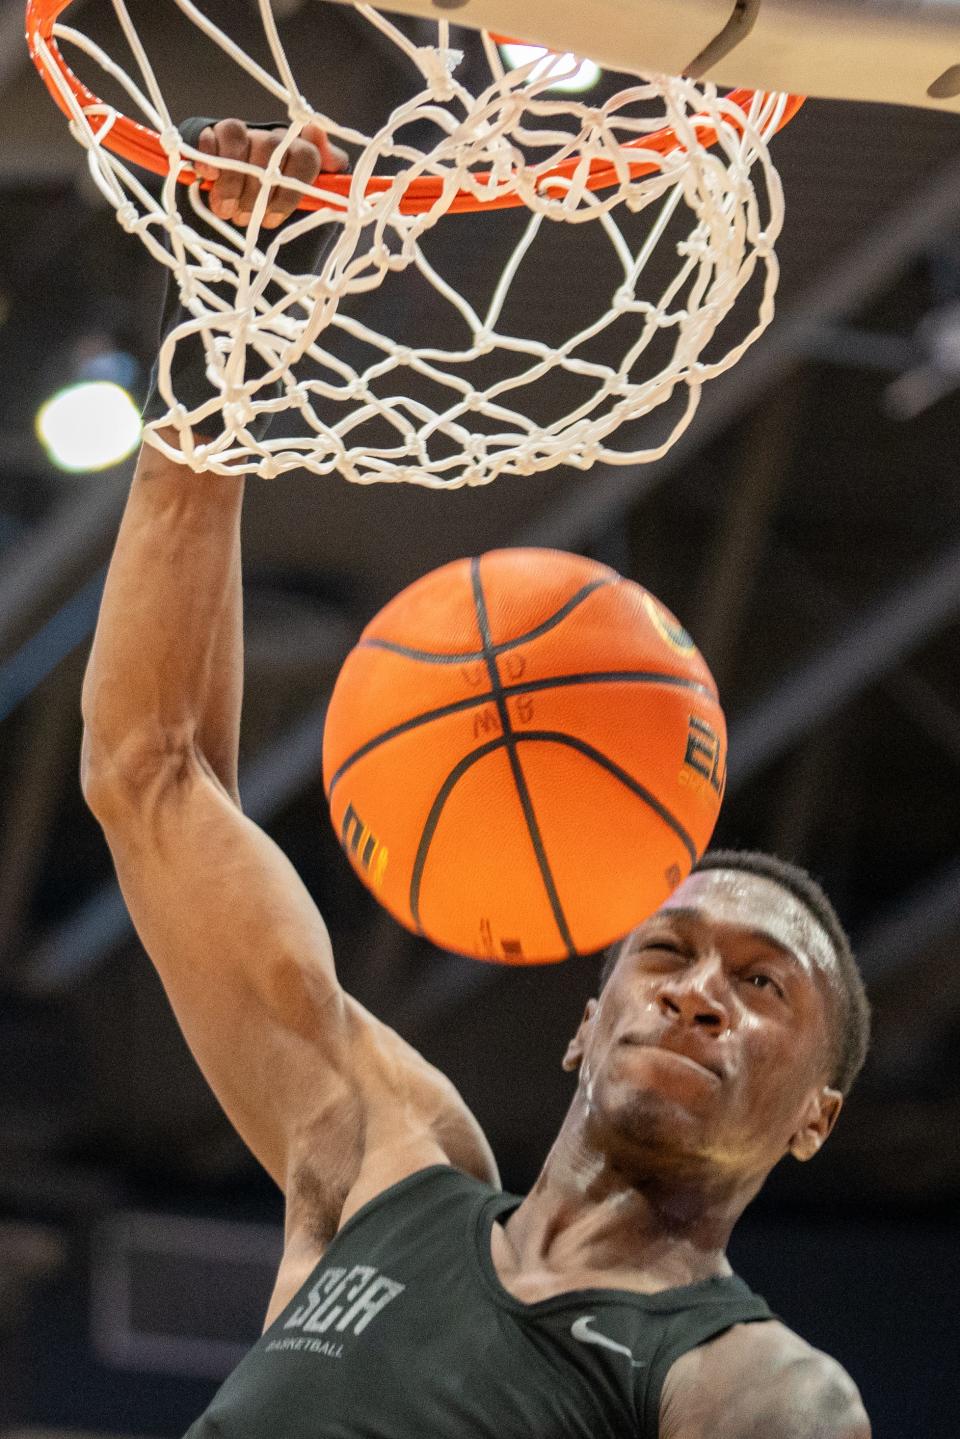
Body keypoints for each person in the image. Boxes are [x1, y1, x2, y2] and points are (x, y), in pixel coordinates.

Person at [80, 120, 873, 1439]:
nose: (697, 993)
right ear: (586, 1017)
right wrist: (230, 307)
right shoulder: (379, 1164)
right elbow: (150, 776)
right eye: (669, 951)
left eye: (761, 982)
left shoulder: (757, 1385)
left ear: (815, 1118)